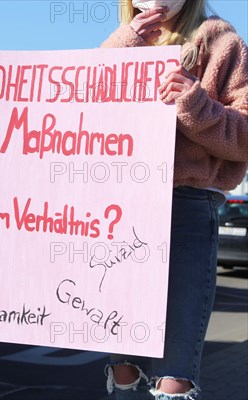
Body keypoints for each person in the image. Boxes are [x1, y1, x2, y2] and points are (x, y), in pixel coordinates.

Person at [101, 0, 248, 399]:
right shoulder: (122, 41)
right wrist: (124, 46)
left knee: (175, 374)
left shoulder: (220, 41)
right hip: (121, 208)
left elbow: (245, 136)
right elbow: (81, 108)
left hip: (185, 206)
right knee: (123, 363)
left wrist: (196, 104)